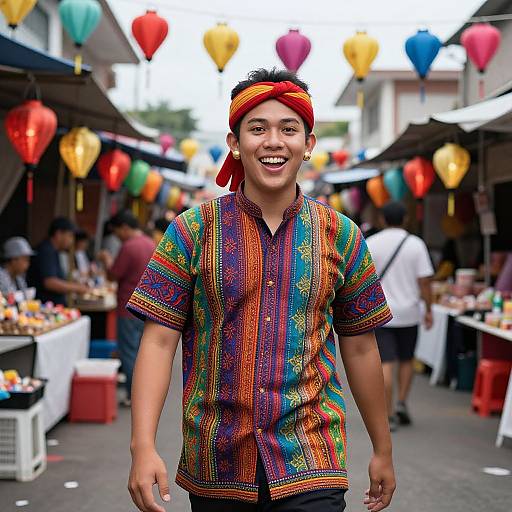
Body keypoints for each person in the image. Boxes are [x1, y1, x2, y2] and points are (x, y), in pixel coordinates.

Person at [126, 69, 396, 512]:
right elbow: (158, 341)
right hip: (217, 461)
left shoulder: (341, 235)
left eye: (289, 129)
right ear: (235, 143)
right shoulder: (192, 231)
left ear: (309, 145)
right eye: (258, 128)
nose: (274, 141)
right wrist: (142, 445)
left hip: (311, 457)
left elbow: (362, 347)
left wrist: (383, 450)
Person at [366, 202, 434, 432]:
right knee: (406, 359)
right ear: (405, 219)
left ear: (382, 220)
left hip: (381, 313)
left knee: (386, 363)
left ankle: (389, 413)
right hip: (410, 312)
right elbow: (424, 281)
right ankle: (402, 402)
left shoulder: (371, 243)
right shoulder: (416, 245)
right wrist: (429, 308)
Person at [98, 210, 156, 406]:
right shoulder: (150, 243)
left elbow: (114, 275)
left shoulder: (129, 247)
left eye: (117, 232)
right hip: (147, 305)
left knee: (129, 352)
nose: (117, 237)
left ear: (124, 228)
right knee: (143, 351)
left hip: (128, 306)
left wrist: (106, 261)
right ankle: (146, 393)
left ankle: (134, 395)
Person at [27, 217, 90, 305]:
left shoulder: (53, 250)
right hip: (46, 305)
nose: (71, 241)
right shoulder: (46, 250)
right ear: (58, 234)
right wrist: (77, 288)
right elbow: (50, 282)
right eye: (70, 235)